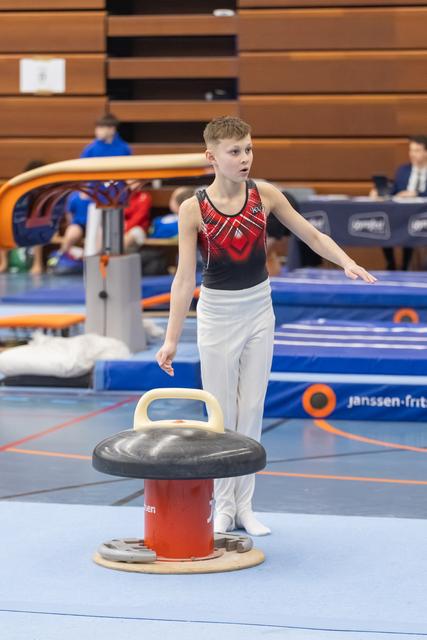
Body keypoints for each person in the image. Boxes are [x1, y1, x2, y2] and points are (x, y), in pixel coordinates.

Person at [156, 116, 376, 537]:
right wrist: (170, 339)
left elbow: (311, 235)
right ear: (211, 158)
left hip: (259, 309)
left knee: (252, 408)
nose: (244, 159)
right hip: (217, 314)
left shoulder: (266, 195)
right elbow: (184, 279)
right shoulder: (193, 209)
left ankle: (245, 505)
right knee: (220, 411)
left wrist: (347, 261)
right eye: (235, 152)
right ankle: (222, 506)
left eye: (249, 149)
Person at [371, 135, 427, 270]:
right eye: (411, 150)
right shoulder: (403, 171)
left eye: (417, 150)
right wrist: (380, 193)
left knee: (411, 228)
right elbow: (393, 191)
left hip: (422, 216)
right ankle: (391, 263)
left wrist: (417, 194)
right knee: (384, 222)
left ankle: (406, 265)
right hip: (401, 215)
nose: (413, 154)